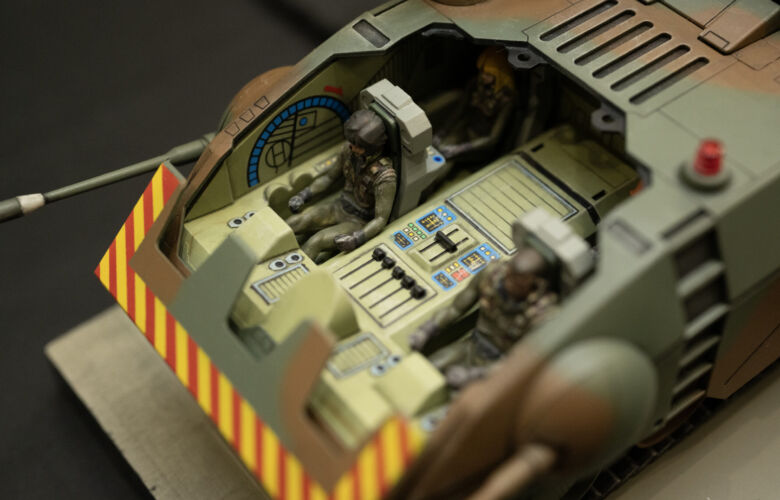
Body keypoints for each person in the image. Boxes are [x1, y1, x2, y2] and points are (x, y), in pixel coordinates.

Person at [409, 245, 558, 390]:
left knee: (462, 395)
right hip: (473, 345)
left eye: (517, 283)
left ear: (535, 283)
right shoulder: (491, 275)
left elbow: (521, 363)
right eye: (509, 276)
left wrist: (474, 375)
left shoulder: (542, 314)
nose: (509, 284)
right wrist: (426, 330)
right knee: (428, 370)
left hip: (500, 364)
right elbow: (455, 309)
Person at [285, 109, 397, 260]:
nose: (352, 147)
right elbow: (329, 178)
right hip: (339, 206)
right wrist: (303, 195)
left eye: (358, 146)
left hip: (357, 222)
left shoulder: (384, 177)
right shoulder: (348, 151)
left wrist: (357, 239)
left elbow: (380, 219)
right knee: (297, 221)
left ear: (372, 147)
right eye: (352, 143)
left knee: (316, 241)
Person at [432, 46, 517, 162]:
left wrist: (462, 148)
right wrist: (442, 132)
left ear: (499, 75)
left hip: (482, 142)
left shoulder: (507, 98)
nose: (482, 76)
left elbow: (493, 137)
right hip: (466, 127)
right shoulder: (475, 84)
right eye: (482, 71)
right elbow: (460, 110)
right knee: (439, 148)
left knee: (448, 158)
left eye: (488, 74)